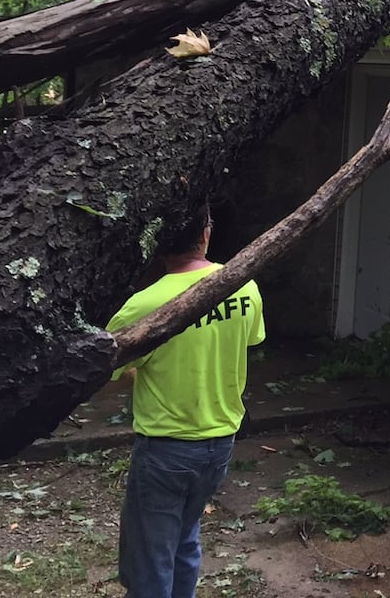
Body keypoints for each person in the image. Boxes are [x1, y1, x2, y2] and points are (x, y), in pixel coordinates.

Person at [106, 204, 265, 598]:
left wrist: (139, 372)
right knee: (184, 539)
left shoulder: (143, 306)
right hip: (220, 445)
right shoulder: (243, 286)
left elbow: (102, 376)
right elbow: (246, 342)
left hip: (166, 450)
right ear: (205, 234)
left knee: (150, 562)